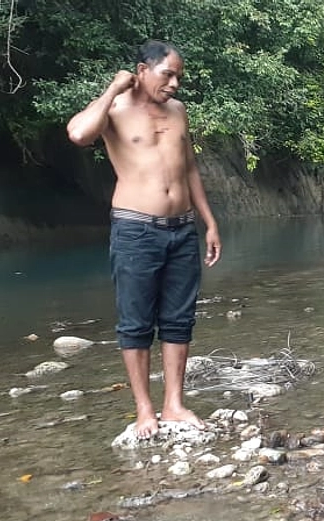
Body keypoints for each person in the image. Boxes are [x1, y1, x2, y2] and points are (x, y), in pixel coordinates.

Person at [66, 40, 221, 439]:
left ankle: (174, 404)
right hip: (136, 229)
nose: (174, 84)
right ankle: (144, 410)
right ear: (141, 70)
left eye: (179, 77)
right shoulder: (114, 109)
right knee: (135, 322)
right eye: (167, 75)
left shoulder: (178, 111)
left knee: (179, 319)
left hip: (182, 228)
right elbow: (79, 134)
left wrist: (209, 222)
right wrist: (113, 88)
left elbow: (189, 168)